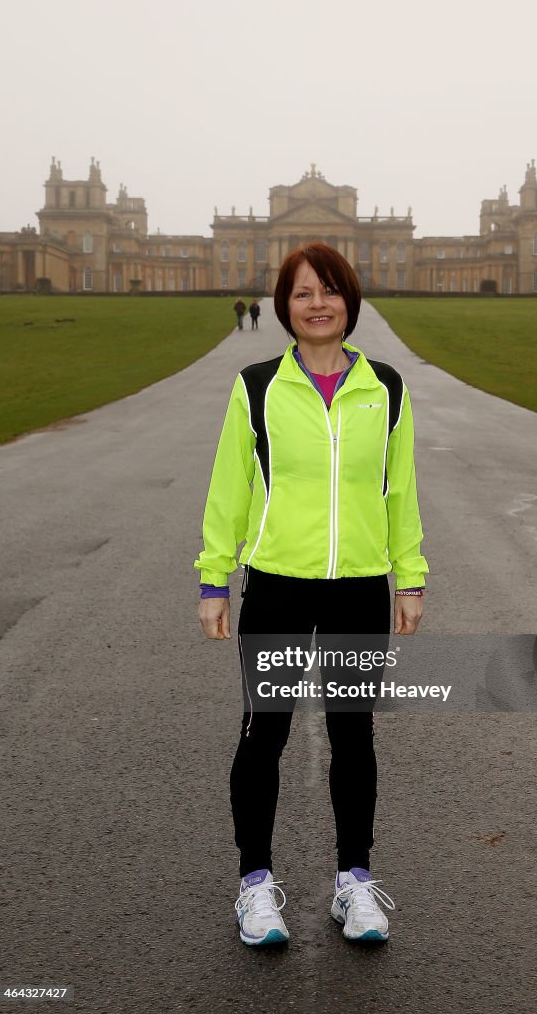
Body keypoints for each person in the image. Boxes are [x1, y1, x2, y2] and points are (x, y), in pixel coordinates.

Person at [196, 242, 428, 947]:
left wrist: (408, 574)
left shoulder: (384, 386)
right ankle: (254, 884)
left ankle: (353, 883)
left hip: (359, 588)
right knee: (263, 734)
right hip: (276, 588)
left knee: (352, 736)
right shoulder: (257, 386)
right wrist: (214, 578)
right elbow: (229, 488)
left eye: (329, 290)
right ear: (283, 305)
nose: (317, 303)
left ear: (349, 301)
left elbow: (400, 490)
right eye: (302, 293)